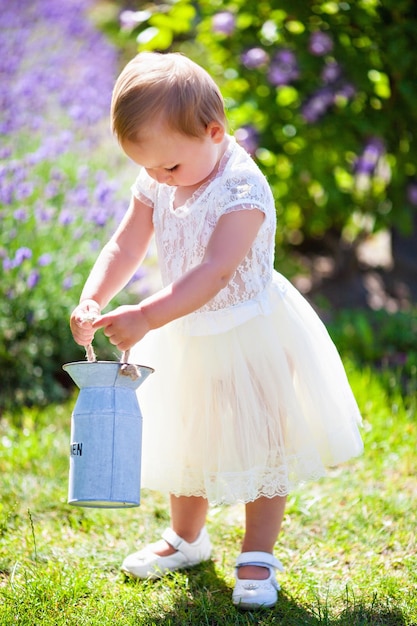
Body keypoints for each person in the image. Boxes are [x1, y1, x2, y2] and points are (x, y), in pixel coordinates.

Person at [70, 51, 363, 610]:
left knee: (262, 435)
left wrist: (147, 315)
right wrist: (95, 295)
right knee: (189, 432)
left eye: (168, 168)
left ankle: (257, 552)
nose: (157, 179)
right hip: (186, 327)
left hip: (246, 327)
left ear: (214, 131)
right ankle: (187, 536)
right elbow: (127, 242)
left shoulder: (241, 189)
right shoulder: (163, 171)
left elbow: (216, 270)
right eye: (148, 168)